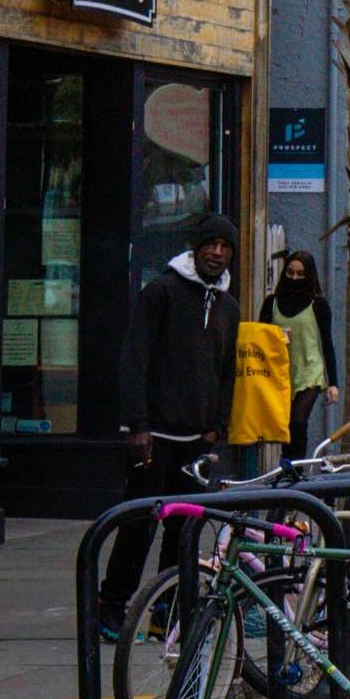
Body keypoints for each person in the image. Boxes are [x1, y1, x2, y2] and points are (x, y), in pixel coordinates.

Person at [99, 215, 240, 635]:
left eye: (225, 246)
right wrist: (136, 423)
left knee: (184, 531)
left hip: (197, 439)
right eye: (210, 244)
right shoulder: (160, 292)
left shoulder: (228, 307)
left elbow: (227, 371)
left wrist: (218, 425)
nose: (217, 253)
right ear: (195, 248)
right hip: (155, 434)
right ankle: (111, 606)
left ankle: (168, 611)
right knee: (139, 526)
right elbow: (135, 357)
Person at [264, 248, 339, 458]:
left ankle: (296, 470)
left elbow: (327, 343)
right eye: (290, 273)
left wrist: (333, 383)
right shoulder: (272, 303)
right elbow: (260, 337)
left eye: (300, 274)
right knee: (283, 425)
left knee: (297, 422)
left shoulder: (319, 305)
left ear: (309, 276)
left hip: (309, 371)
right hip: (280, 373)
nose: (294, 278)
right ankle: (286, 466)